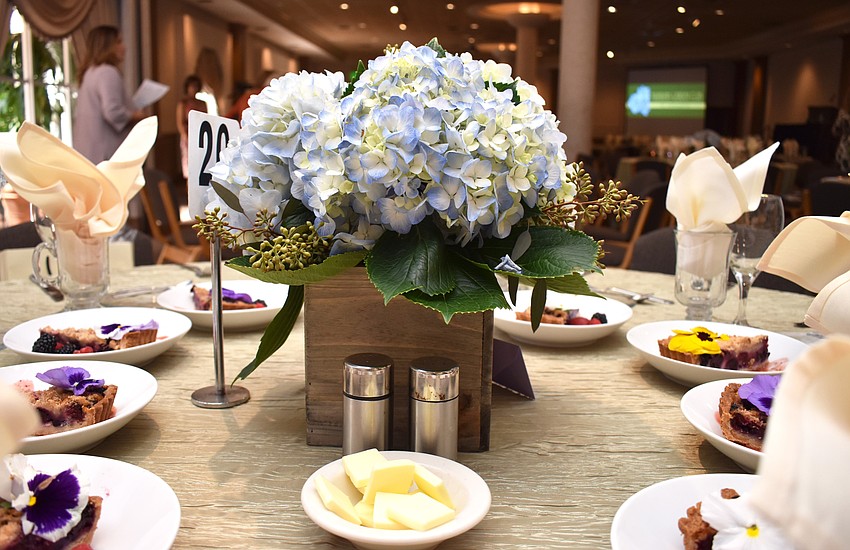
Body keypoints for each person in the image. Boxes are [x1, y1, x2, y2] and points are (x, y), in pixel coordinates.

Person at [73, 25, 146, 164]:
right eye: (118, 42)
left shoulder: (90, 72)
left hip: (88, 152)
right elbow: (112, 111)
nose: (124, 47)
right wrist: (135, 116)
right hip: (105, 154)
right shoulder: (108, 72)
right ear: (107, 46)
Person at [176, 74, 207, 180]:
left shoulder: (202, 103)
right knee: (189, 164)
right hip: (188, 135)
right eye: (192, 86)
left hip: (200, 135)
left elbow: (205, 119)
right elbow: (180, 122)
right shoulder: (183, 103)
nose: (194, 89)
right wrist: (185, 136)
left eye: (196, 86)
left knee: (200, 162)